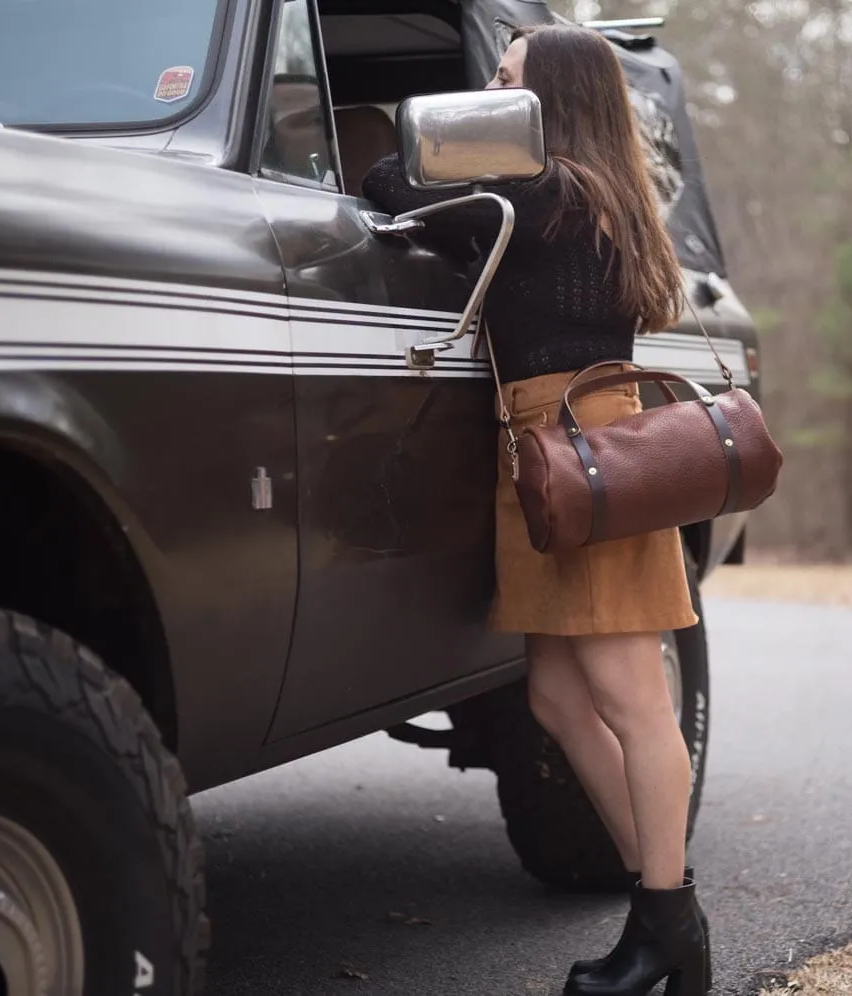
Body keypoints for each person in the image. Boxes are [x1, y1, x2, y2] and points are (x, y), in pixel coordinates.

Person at [361, 22, 710, 996]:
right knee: (556, 696)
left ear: (551, 97)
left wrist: (428, 141)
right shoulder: (577, 192)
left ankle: (665, 925)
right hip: (543, 450)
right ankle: (669, 912)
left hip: (583, 449)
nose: (490, 92)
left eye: (507, 83)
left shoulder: (550, 193)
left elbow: (396, 187)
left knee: (636, 702)